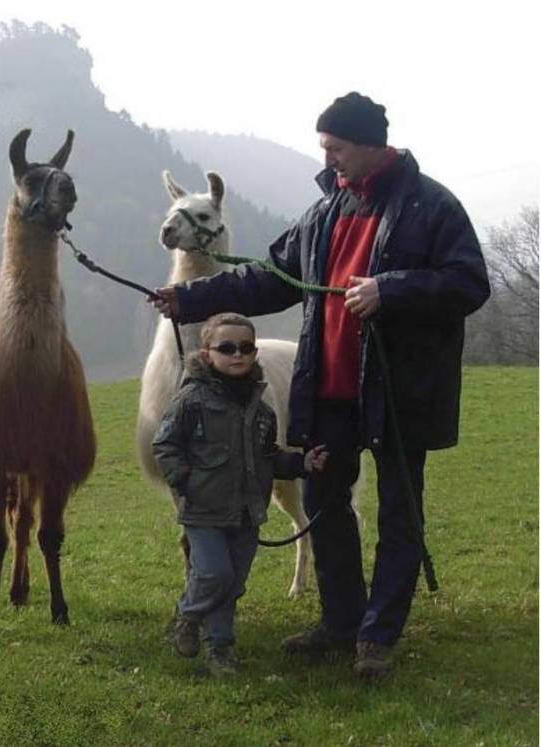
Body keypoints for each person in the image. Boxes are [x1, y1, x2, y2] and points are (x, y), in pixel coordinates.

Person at [150, 92, 490, 678]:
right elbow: (269, 280)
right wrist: (188, 300)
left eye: (335, 147)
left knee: (399, 513)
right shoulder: (323, 213)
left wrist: (392, 289)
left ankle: (377, 637)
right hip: (330, 387)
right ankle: (340, 622)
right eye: (324, 148)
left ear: (368, 144)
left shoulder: (432, 206)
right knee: (325, 504)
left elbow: (467, 282)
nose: (327, 158)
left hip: (400, 392)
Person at [153, 313, 328, 677]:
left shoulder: (260, 409)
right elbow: (166, 445)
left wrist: (301, 464)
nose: (237, 355)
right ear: (207, 352)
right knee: (214, 573)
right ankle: (188, 615)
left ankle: (220, 649)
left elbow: (270, 457)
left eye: (246, 348)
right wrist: (186, 482)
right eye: (227, 347)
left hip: (247, 512)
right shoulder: (190, 400)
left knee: (233, 583)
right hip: (204, 512)